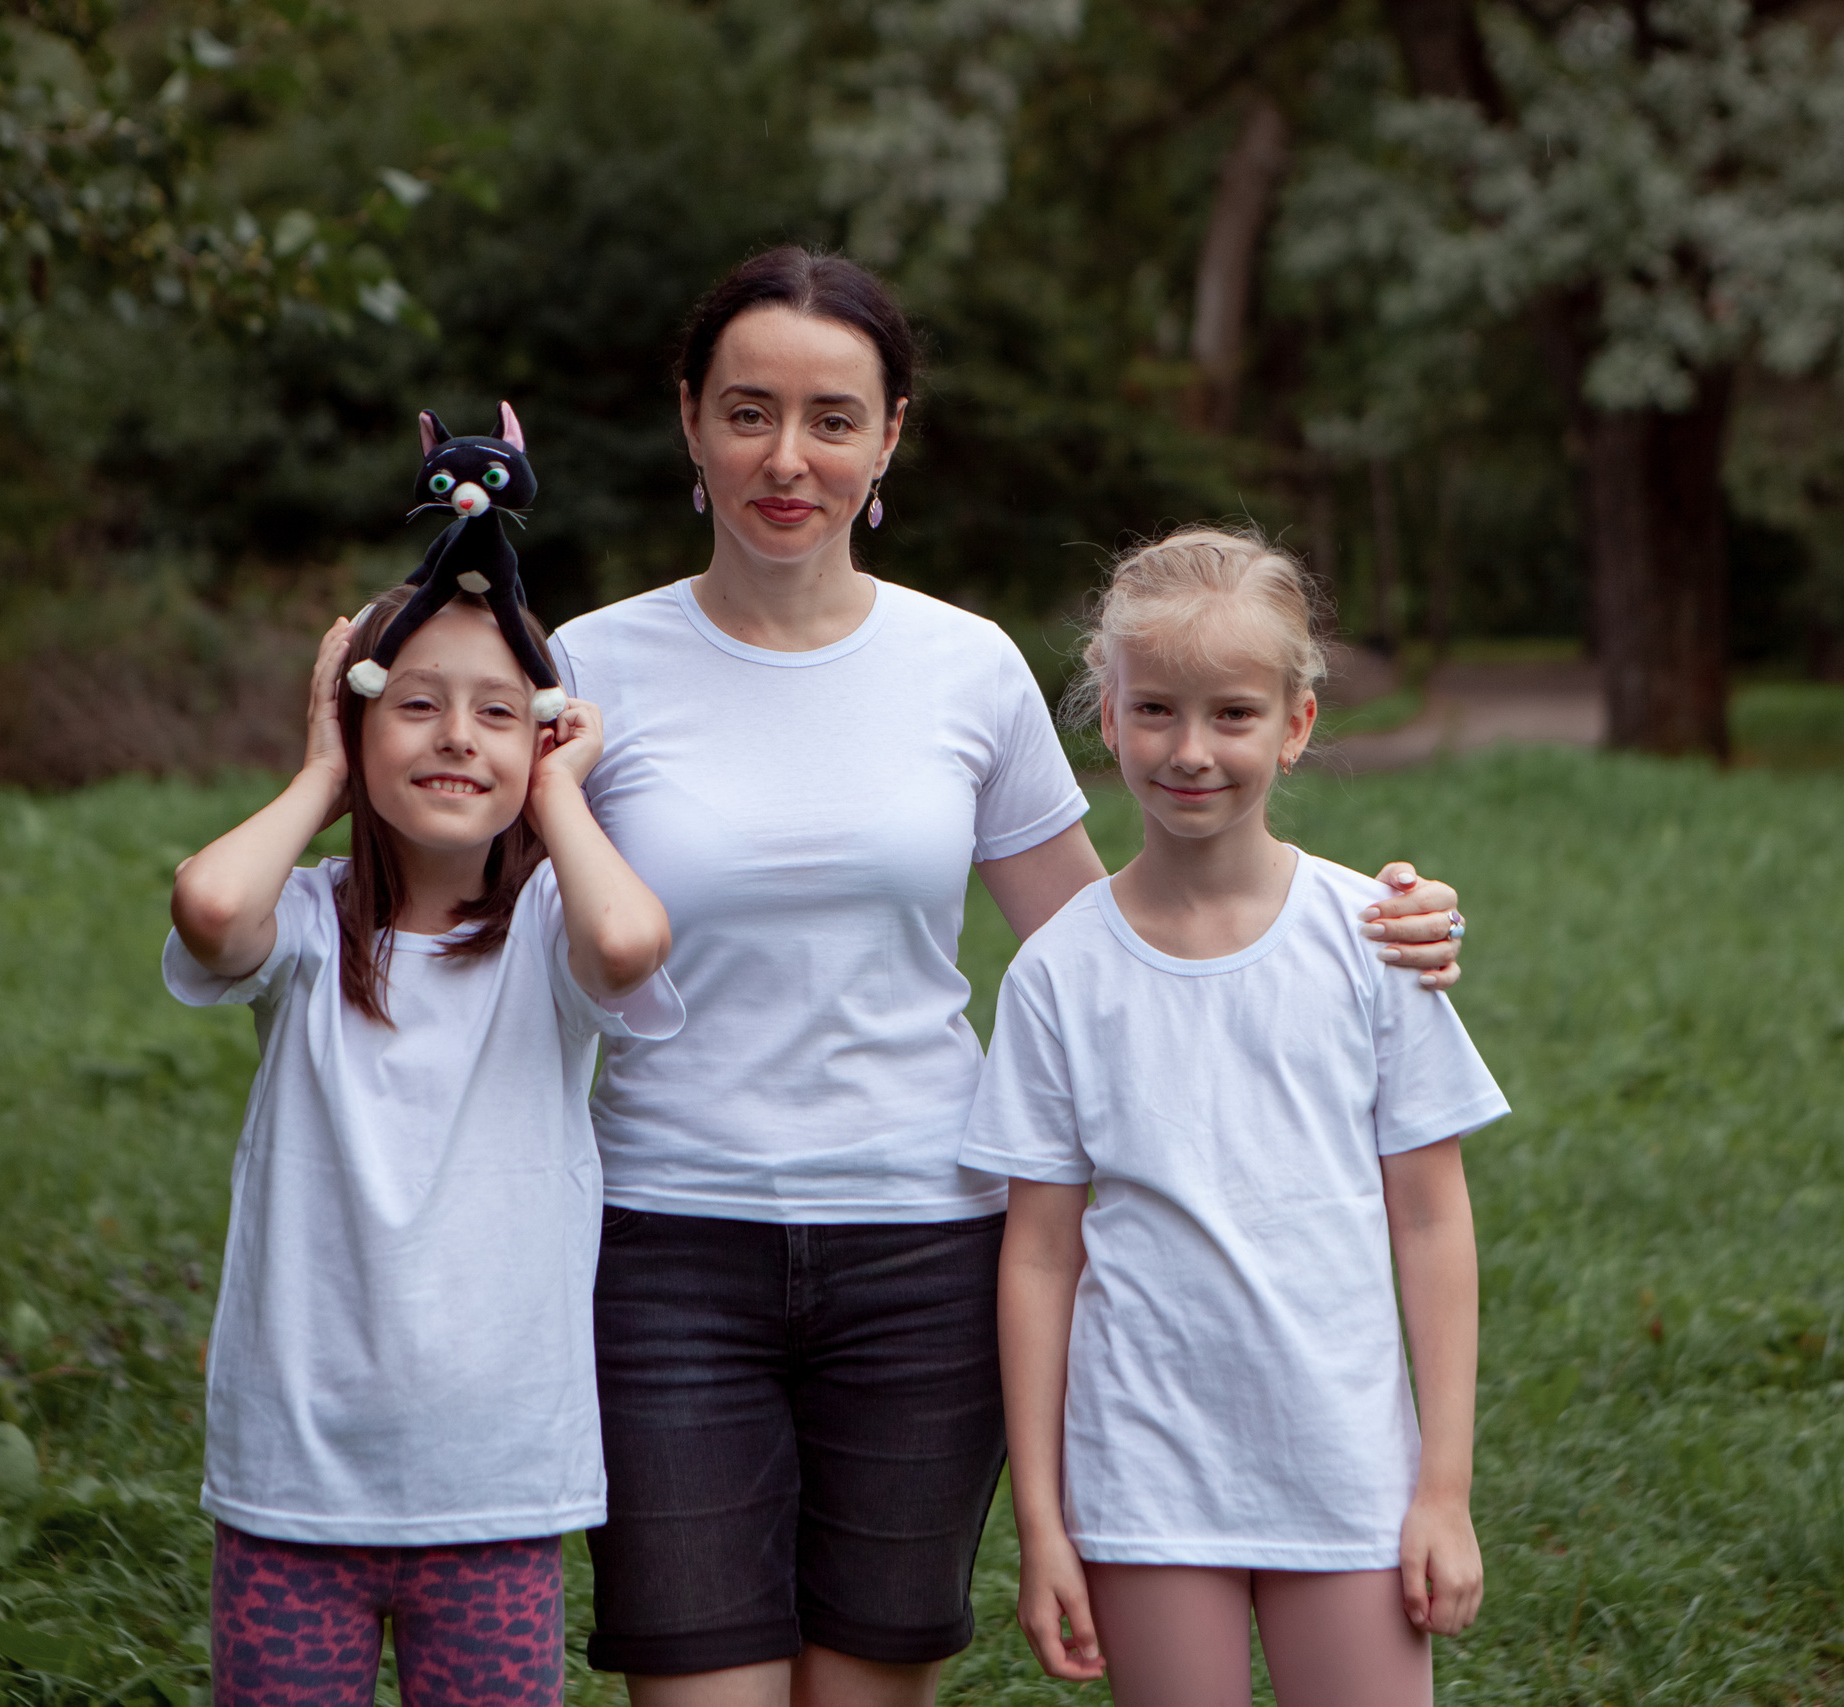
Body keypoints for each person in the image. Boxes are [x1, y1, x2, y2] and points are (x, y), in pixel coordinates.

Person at [548, 246, 1470, 1707]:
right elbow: (452, 917)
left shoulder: (963, 667)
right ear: (689, 418)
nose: (789, 456)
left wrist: (1368, 922)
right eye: (749, 410)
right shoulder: (586, 672)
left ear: (890, 434)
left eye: (833, 417)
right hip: (666, 1246)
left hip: (924, 1248)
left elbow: (1112, 928)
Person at [964, 528, 1506, 1707]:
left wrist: (1442, 1489)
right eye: (1154, 709)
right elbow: (1040, 1252)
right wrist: (1043, 1523)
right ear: (1105, 719)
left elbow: (1429, 1218)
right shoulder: (1057, 974)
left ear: (1296, 726)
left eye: (1233, 715)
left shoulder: (1373, 940)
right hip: (1146, 1480)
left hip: (1348, 1469)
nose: (1190, 750)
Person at [165, 584, 682, 1707]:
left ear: (543, 742)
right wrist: (320, 776)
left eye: (499, 714)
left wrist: (556, 800)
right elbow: (208, 906)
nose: (456, 735)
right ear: (355, 726)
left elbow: (631, 940)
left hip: (494, 1488)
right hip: (294, 1484)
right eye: (415, 704)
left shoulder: (549, 934)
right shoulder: (306, 924)